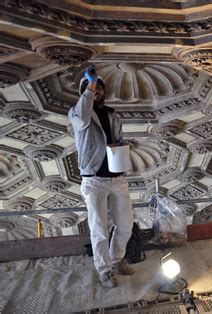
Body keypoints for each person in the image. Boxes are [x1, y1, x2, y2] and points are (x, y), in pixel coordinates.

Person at [69, 65, 134, 288]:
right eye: (91, 88)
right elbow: (83, 117)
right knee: (99, 228)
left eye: (99, 88)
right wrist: (90, 85)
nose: (96, 92)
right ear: (85, 91)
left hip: (117, 178)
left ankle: (117, 260)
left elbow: (118, 137)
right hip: (94, 179)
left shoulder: (112, 114)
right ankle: (104, 270)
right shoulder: (78, 113)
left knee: (125, 225)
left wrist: (123, 148)